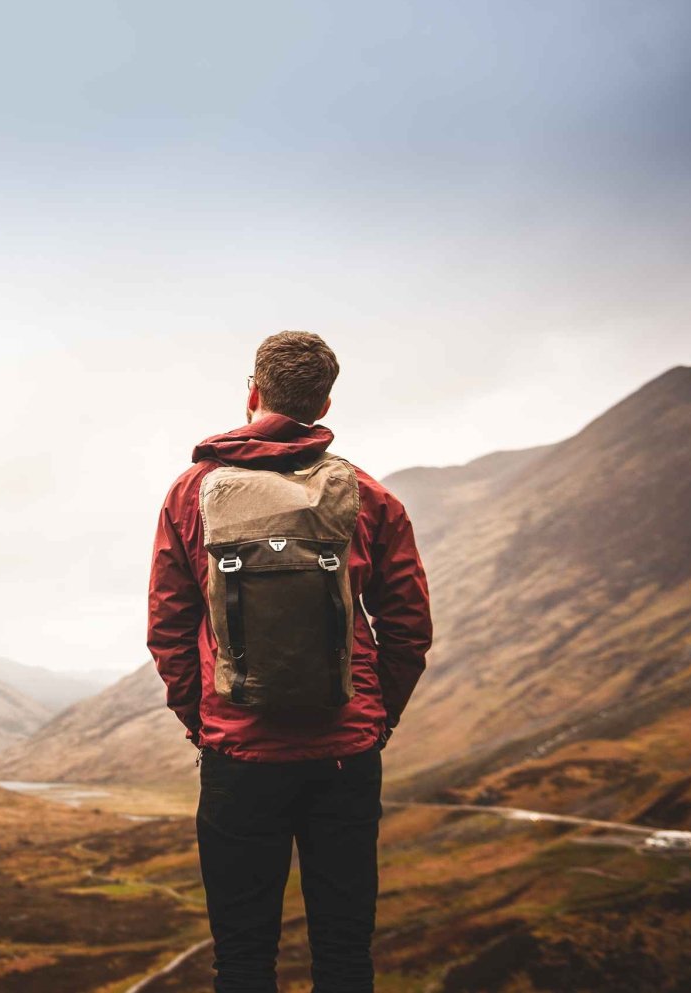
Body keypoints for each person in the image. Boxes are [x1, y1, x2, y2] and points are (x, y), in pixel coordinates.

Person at [146, 331, 432, 993]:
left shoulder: (192, 492)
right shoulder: (367, 495)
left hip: (238, 757)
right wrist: (375, 718)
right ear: (325, 402)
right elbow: (408, 627)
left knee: (242, 959)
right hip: (344, 754)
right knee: (344, 954)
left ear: (252, 393)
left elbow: (167, 628)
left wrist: (206, 722)